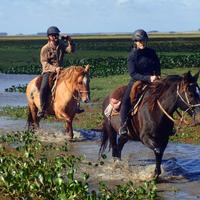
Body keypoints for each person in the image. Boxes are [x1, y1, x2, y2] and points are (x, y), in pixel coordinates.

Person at [119, 29, 161, 136]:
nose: (142, 43)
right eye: (139, 41)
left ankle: (168, 124)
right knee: (125, 102)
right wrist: (148, 78)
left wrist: (157, 76)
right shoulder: (132, 56)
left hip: (153, 80)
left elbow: (157, 66)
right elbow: (133, 73)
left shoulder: (152, 52)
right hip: (137, 81)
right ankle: (123, 126)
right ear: (135, 42)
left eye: (143, 41)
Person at [37, 26, 84, 118]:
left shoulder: (61, 44)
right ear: (49, 37)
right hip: (49, 71)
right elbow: (44, 62)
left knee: (74, 83)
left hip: (61, 70)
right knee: (43, 88)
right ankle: (42, 109)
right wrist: (54, 69)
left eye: (56, 35)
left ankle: (76, 106)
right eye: (53, 35)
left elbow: (71, 50)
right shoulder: (45, 48)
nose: (55, 37)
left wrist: (69, 40)